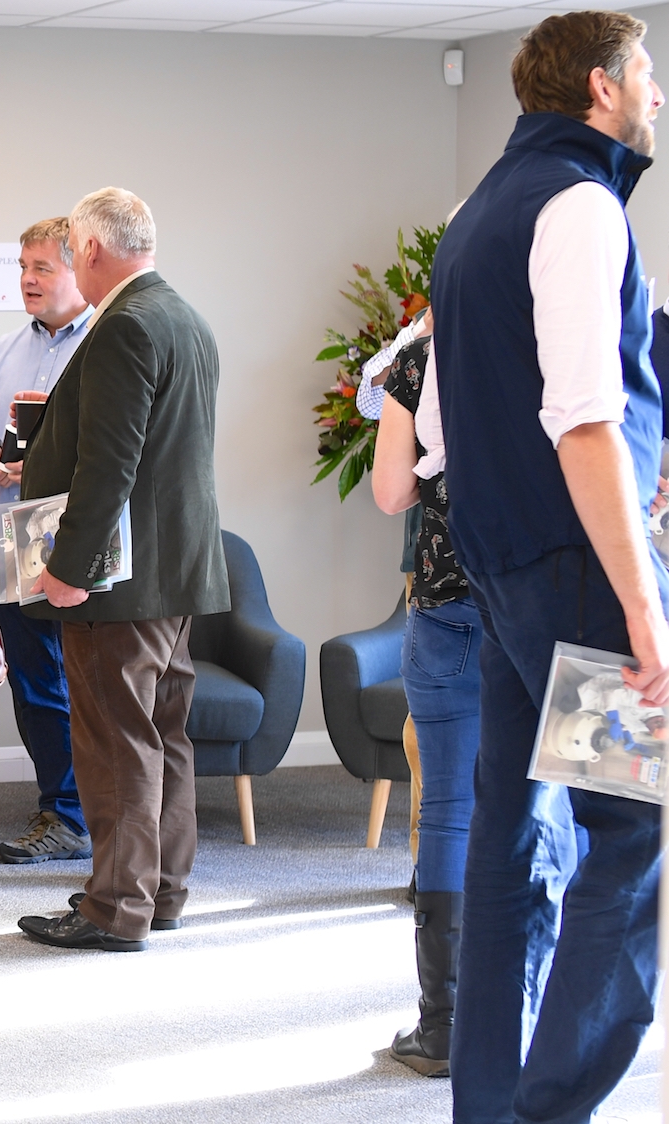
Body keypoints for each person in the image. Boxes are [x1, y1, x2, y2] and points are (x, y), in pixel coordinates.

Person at [432, 12, 667, 1120]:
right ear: (598, 86)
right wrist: (641, 603)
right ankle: (548, 1107)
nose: (657, 96)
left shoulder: (472, 212)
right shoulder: (577, 207)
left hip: (503, 569)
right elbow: (583, 422)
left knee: (508, 828)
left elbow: (434, 430)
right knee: (629, 829)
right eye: (648, 76)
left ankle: (487, 1101)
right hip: (576, 575)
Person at [14, 187, 228, 953]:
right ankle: (160, 892)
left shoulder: (124, 327)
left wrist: (70, 568)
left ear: (93, 250)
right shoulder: (184, 318)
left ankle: (114, 906)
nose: (70, 260)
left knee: (114, 741)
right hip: (177, 574)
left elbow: (113, 465)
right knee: (163, 735)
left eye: (71, 248)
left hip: (119, 583)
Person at [0, 217, 93, 864]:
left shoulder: (108, 346)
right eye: (22, 268)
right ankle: (61, 810)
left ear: (77, 271)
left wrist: (44, 467)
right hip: (13, 532)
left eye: (42, 268)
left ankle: (97, 807)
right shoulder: (4, 352)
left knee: (93, 677)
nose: (28, 280)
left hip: (82, 533)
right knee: (35, 680)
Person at [368, 318, 479, 1077]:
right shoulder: (561, 337)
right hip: (537, 607)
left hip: (445, 600)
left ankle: (443, 1026)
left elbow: (390, 492)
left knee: (447, 808)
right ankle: (523, 1012)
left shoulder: (421, 358)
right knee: (542, 801)